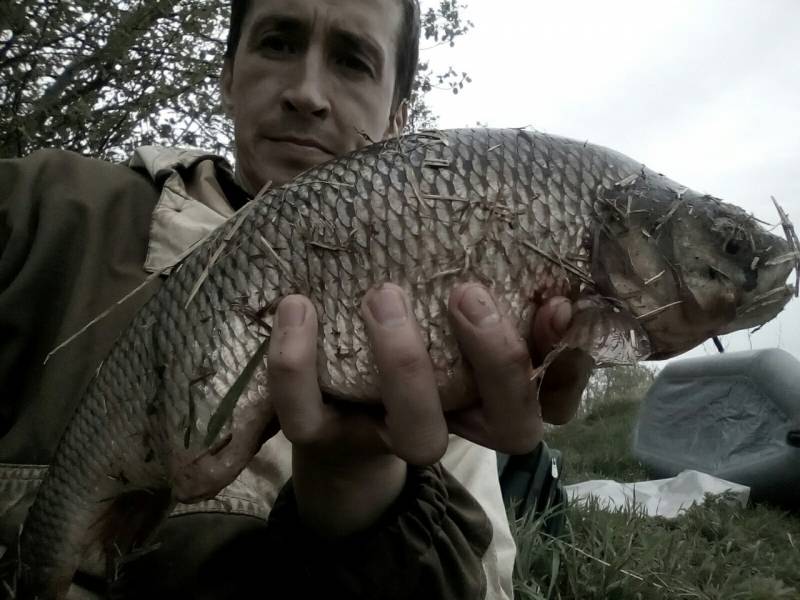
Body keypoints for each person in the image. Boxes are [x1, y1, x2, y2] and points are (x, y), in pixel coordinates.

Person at [0, 0, 591, 597]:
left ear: (398, 116)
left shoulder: (453, 358)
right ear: (228, 76)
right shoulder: (44, 208)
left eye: (353, 60)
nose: (307, 92)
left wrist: (361, 491)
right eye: (279, 43)